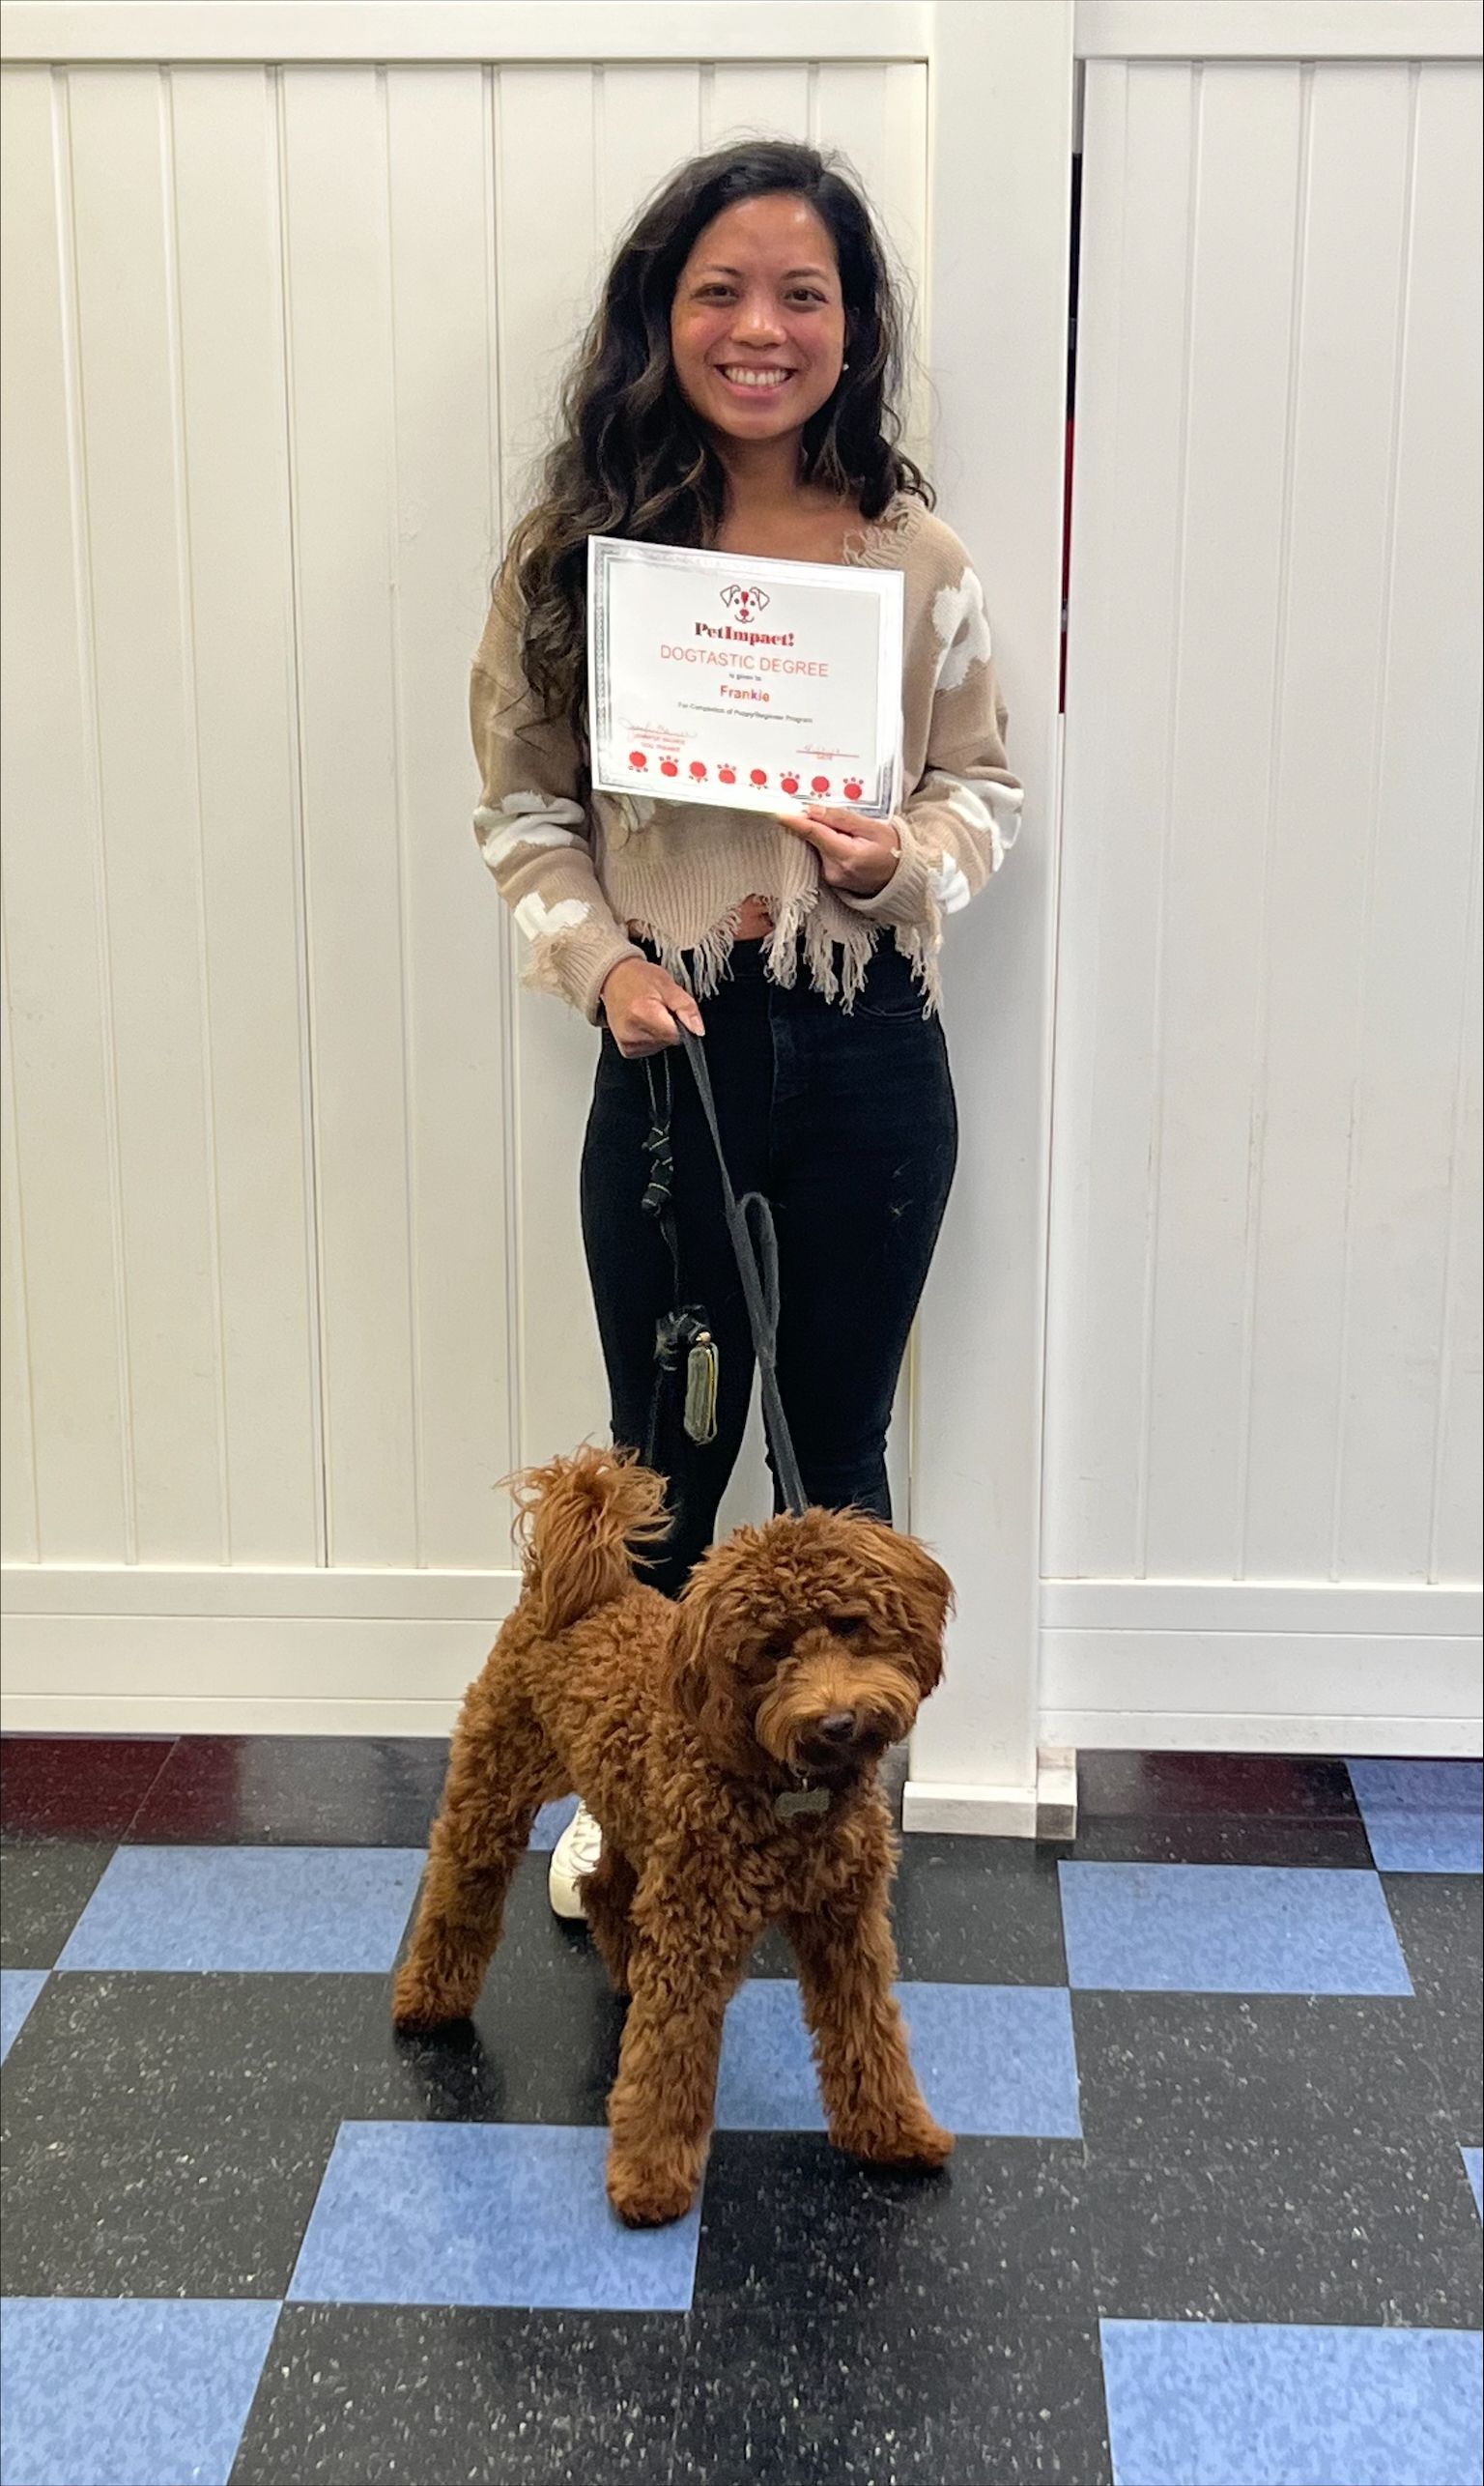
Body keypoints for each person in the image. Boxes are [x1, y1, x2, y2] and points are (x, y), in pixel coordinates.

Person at [469, 140, 1023, 1916]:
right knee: (661, 1448)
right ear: (663, 314)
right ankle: (639, 1783)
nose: (760, 327)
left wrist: (904, 854)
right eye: (720, 290)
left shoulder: (915, 556)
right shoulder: (580, 555)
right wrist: (601, 964)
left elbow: (987, 788)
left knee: (838, 1436)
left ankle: (838, 1783)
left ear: (853, 329)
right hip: (669, 1051)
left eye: (804, 293)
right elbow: (521, 814)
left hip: (868, 1056)